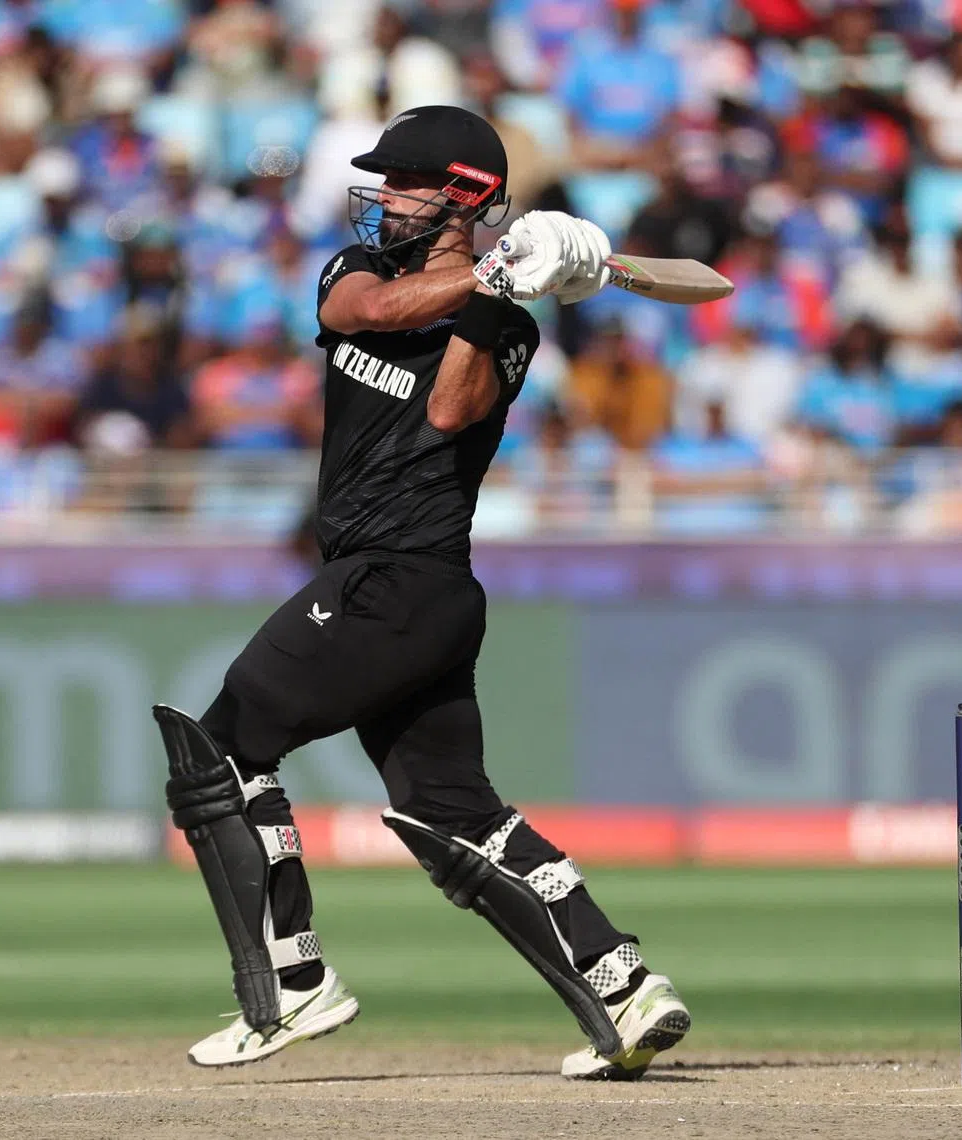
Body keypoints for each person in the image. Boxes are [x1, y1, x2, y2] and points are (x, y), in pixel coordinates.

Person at [155, 104, 690, 1081]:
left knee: (220, 752)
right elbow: (363, 316)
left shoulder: (510, 324)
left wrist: (500, 295)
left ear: (463, 197)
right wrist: (496, 270)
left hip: (402, 579)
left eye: (404, 183)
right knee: (454, 809)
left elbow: (450, 408)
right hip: (390, 586)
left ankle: (291, 983)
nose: (384, 197)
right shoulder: (353, 271)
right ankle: (623, 984)